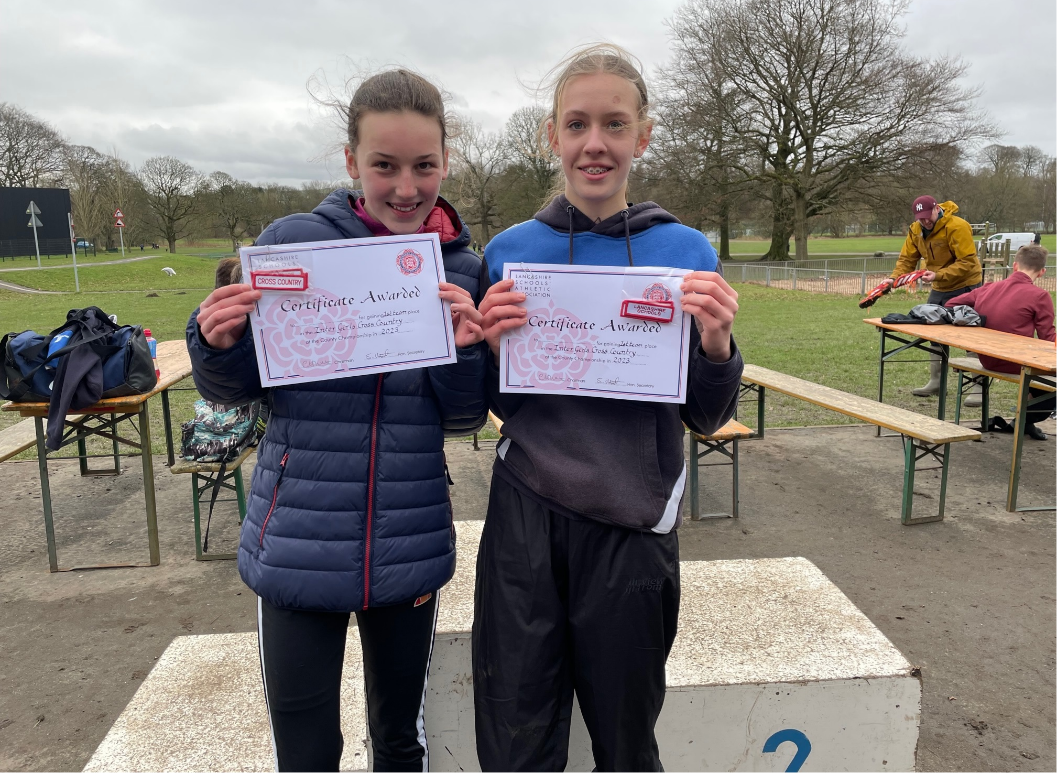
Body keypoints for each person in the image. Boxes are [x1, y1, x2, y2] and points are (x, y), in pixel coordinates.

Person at [186, 69, 487, 772]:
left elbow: (465, 417)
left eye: (424, 165)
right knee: (306, 748)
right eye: (384, 165)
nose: (406, 187)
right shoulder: (292, 242)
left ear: (446, 162)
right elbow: (236, 393)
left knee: (399, 741)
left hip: (406, 542)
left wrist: (464, 352)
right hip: (295, 542)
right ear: (352, 162)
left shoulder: (463, 268)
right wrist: (216, 341)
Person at [471, 44, 743, 772]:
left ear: (642, 137)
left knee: (625, 742)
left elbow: (705, 417)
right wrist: (489, 350)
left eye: (615, 124)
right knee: (516, 737)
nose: (595, 143)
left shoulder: (684, 250)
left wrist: (716, 344)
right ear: (551, 136)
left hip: (633, 522)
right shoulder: (507, 252)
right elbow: (493, 405)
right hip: (526, 518)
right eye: (577, 124)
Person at [944, 244, 1056, 440]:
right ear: (1042, 272)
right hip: (1015, 362)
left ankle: (1024, 422)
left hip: (986, 358)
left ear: (1015, 266)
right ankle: (1024, 419)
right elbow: (1048, 338)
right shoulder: (1040, 296)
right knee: (1048, 376)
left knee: (1041, 374)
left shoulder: (987, 289)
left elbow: (950, 304)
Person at [883, 196, 983, 399]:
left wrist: (939, 275)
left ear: (937, 209)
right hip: (939, 286)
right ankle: (937, 382)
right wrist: (894, 279)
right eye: (921, 219)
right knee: (933, 332)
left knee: (969, 335)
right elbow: (907, 259)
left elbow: (967, 262)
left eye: (928, 216)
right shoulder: (915, 230)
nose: (925, 221)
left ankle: (977, 386)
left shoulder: (957, 226)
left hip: (966, 285)